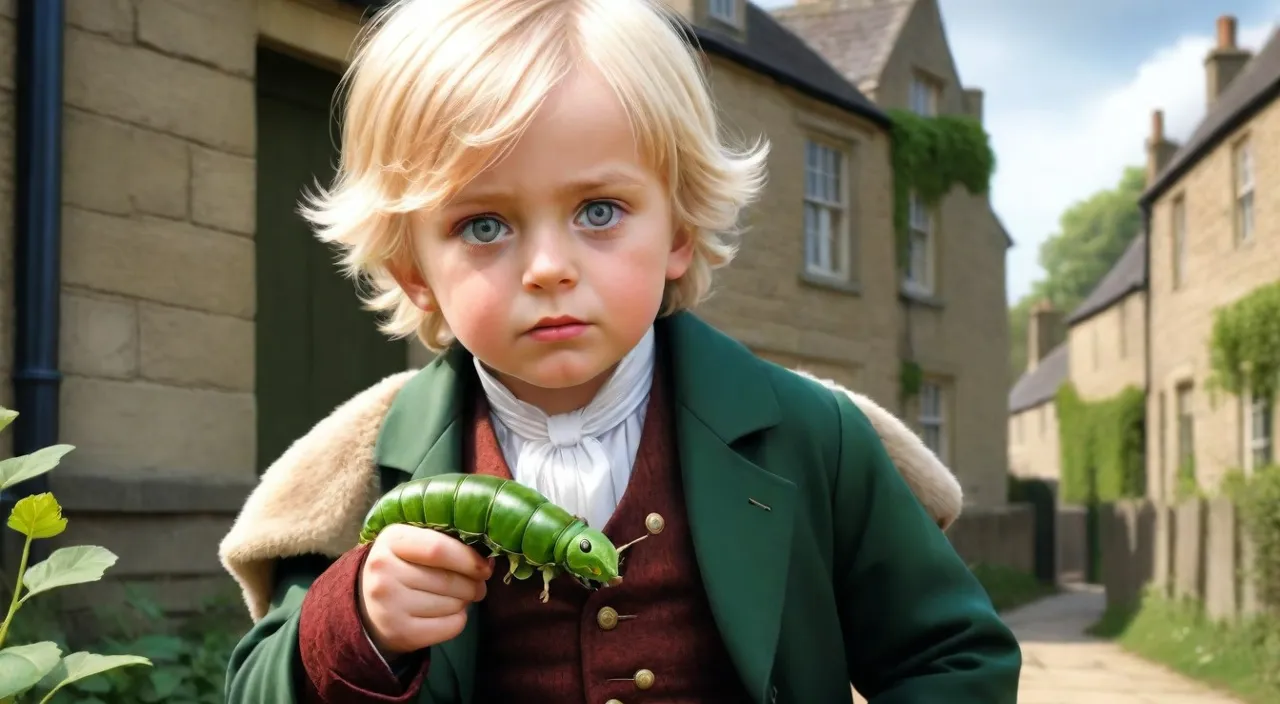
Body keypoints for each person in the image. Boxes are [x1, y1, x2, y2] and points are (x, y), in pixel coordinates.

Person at [218, 0, 1022, 701]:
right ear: (414, 273)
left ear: (679, 231)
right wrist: (357, 624)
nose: (549, 268)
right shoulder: (356, 470)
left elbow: (954, 655)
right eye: (484, 225)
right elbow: (254, 689)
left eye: (599, 211)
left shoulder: (817, 437)